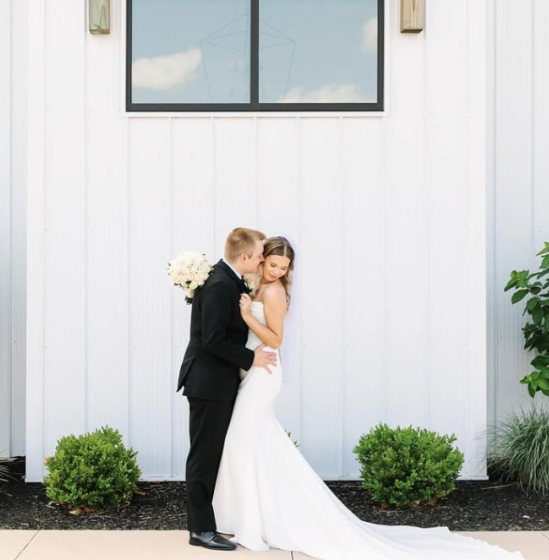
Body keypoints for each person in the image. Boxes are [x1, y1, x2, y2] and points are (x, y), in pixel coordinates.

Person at [212, 237, 527, 560]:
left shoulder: (275, 292)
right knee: (250, 443)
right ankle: (251, 517)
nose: (278, 271)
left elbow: (276, 340)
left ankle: (256, 521)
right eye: (274, 264)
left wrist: (249, 318)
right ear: (261, 260)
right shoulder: (255, 285)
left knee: (242, 440)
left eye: (284, 267)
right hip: (253, 371)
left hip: (265, 374)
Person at [177, 227, 278, 551]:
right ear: (245, 257)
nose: (263, 258)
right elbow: (213, 339)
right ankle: (201, 530)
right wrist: (252, 358)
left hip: (218, 382)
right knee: (203, 457)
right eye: (261, 254)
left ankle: (210, 522)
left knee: (211, 454)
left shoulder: (228, 279)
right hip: (208, 384)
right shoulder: (220, 284)